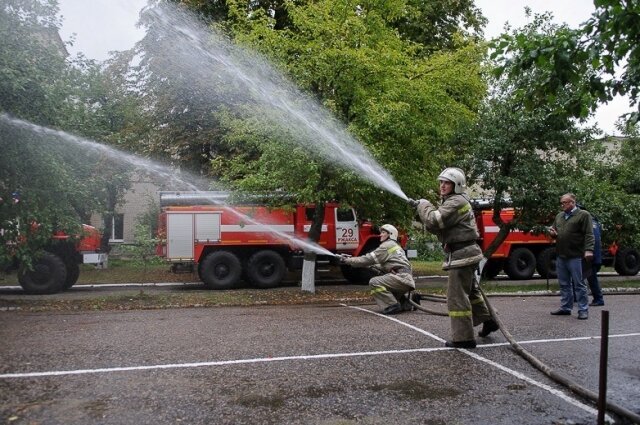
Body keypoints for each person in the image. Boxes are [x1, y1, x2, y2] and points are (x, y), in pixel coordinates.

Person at [408, 167, 498, 349]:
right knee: (471, 292)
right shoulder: (454, 201)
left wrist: (423, 205)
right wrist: (420, 208)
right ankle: (488, 319)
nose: (442, 186)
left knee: (456, 297)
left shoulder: (455, 202)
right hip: (464, 253)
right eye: (441, 182)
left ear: (456, 185)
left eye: (446, 183)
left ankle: (464, 338)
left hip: (462, 254)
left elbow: (433, 221)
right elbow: (438, 226)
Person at [339, 224, 416, 315]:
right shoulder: (396, 247)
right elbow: (381, 266)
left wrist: (348, 260)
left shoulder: (386, 246)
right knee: (384, 282)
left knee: (374, 282)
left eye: (383, 232)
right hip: (406, 279)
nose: (380, 235)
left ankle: (392, 305)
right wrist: (366, 265)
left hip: (400, 278)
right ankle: (408, 302)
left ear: (390, 234)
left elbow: (368, 259)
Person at [548, 193, 594, 320]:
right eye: (561, 203)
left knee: (579, 284)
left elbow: (589, 234)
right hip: (561, 254)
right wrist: (552, 233)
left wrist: (589, 249)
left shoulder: (583, 215)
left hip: (576, 255)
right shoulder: (559, 216)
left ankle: (583, 310)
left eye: (565, 202)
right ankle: (566, 307)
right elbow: (554, 230)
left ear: (573, 202)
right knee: (564, 283)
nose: (562, 205)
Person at [586, 213, 605, 306]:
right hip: (596, 255)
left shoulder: (587, 224)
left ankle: (598, 299)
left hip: (590, 256)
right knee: (591, 277)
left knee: (591, 278)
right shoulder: (596, 223)